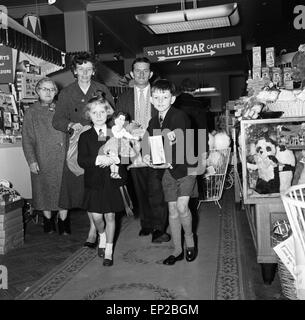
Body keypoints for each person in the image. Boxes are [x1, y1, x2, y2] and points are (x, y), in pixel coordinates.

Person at [52, 52, 114, 247]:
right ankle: (94, 227)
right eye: (81, 69)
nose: (85, 73)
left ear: (94, 70)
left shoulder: (101, 89)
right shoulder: (67, 92)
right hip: (79, 145)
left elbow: (112, 115)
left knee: (98, 185)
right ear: (74, 71)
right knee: (83, 187)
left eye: (89, 69)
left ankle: (93, 230)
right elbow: (57, 120)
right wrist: (71, 125)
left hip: (101, 139)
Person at [143, 79, 198, 265]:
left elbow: (183, 144)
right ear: (151, 99)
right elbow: (149, 143)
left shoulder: (179, 117)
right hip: (167, 171)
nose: (160, 100)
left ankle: (190, 242)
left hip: (186, 168)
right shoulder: (153, 122)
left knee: (183, 207)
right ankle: (177, 249)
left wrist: (166, 161)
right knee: (173, 210)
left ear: (172, 99)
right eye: (156, 97)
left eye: (164, 97)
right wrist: (146, 155)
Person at [116, 57, 170, 243]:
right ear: (131, 73)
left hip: (155, 143)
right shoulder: (123, 98)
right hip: (131, 146)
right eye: (137, 70)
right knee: (139, 188)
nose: (141, 74)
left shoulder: (159, 94)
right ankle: (146, 224)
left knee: (156, 188)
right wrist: (126, 127)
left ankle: (159, 228)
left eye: (145, 70)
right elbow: (117, 123)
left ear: (151, 73)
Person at [77, 97, 127, 266]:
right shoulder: (84, 136)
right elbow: (82, 160)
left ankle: (109, 250)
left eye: (102, 111)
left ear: (108, 113)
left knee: (111, 216)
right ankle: (102, 235)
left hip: (112, 181)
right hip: (94, 182)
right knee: (98, 218)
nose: (98, 115)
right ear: (88, 115)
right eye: (94, 112)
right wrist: (99, 160)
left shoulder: (116, 133)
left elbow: (126, 156)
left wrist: (114, 160)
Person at [22, 77, 69, 235]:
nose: (48, 92)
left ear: (56, 92)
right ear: (37, 91)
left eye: (52, 89)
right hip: (41, 157)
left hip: (63, 157)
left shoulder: (62, 109)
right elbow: (27, 139)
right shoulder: (31, 112)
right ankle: (48, 221)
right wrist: (31, 161)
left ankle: (64, 221)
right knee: (44, 191)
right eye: (44, 89)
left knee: (63, 191)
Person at [99, 111, 140, 179]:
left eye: (123, 120)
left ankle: (115, 173)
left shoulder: (123, 130)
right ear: (115, 119)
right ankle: (113, 172)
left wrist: (134, 137)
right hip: (114, 144)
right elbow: (116, 134)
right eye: (120, 119)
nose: (121, 121)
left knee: (118, 161)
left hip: (121, 147)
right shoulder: (113, 129)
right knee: (114, 159)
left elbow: (127, 135)